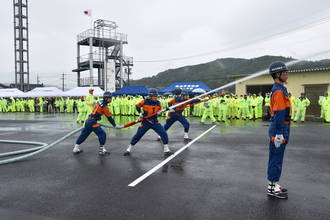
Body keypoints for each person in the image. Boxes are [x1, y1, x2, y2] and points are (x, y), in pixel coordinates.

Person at [124, 89, 174, 156]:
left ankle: (166, 149)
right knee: (138, 135)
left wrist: (159, 113)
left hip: (155, 122)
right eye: (155, 96)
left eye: (156, 96)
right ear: (150, 96)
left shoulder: (158, 103)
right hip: (146, 122)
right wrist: (140, 113)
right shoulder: (144, 101)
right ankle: (128, 149)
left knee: (164, 133)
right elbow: (137, 106)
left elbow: (159, 111)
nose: (156, 97)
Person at [267, 61, 291, 199]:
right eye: (285, 72)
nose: (287, 74)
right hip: (280, 128)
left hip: (282, 127)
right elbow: (280, 113)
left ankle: (274, 183)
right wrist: (279, 133)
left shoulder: (281, 89)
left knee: (278, 157)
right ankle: (272, 187)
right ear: (278, 74)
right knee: (276, 157)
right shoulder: (278, 91)